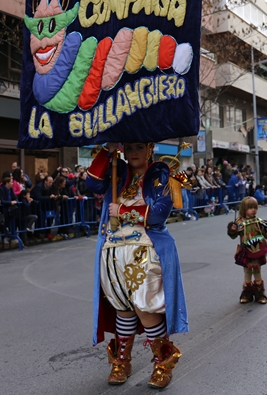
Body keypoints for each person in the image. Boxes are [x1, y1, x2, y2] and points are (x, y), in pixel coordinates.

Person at [86, 142, 187, 388]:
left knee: (146, 308)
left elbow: (158, 214)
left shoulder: (162, 174)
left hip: (146, 250)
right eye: (129, 147)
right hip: (113, 252)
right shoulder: (116, 171)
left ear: (149, 149)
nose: (133, 152)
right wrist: (106, 151)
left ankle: (163, 364)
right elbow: (92, 184)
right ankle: (122, 361)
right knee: (123, 308)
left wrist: (120, 211)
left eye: (139, 147)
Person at [227, 196, 267, 304]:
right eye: (250, 207)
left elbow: (266, 236)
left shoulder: (259, 222)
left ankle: (260, 294)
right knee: (247, 272)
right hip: (246, 251)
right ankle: (247, 294)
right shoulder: (239, 223)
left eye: (255, 207)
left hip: (258, 251)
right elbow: (233, 236)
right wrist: (233, 230)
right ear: (244, 209)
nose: (253, 210)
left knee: (257, 271)